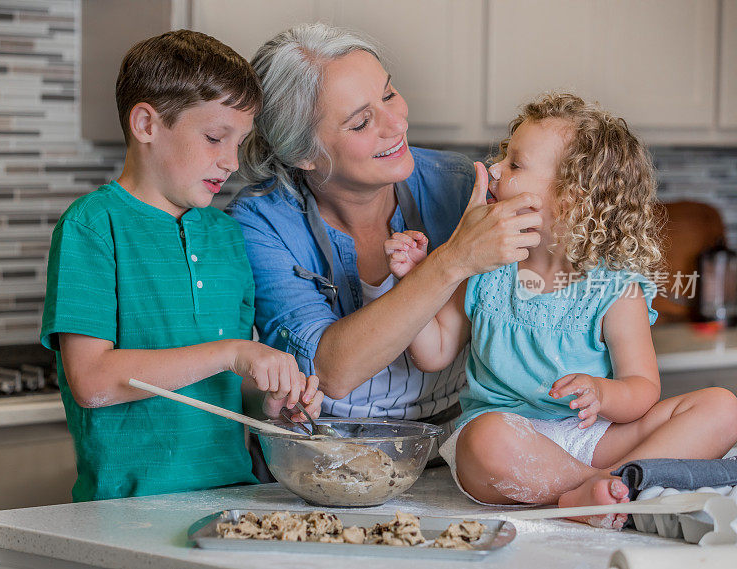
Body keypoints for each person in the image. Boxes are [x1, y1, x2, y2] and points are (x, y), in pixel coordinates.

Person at [386, 92, 737, 527]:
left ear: (570, 199)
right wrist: (417, 281)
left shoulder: (615, 287)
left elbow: (643, 388)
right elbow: (433, 351)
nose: (493, 170)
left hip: (593, 437)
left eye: (514, 164)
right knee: (485, 438)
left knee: (723, 407)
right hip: (513, 442)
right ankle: (610, 490)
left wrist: (603, 393)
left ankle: (601, 486)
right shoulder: (486, 265)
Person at [226, 23, 542, 450]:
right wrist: (453, 259)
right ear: (302, 153)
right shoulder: (260, 224)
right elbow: (332, 372)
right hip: (323, 455)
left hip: (462, 447)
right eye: (361, 123)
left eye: (389, 95)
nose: (396, 125)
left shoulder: (460, 185)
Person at [40, 30, 322, 502]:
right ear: (147, 124)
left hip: (234, 500)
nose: (231, 161)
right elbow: (91, 381)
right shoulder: (91, 226)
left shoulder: (227, 236)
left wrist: (268, 402)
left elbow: (226, 383)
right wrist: (232, 352)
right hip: (126, 508)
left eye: (239, 142)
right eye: (215, 138)